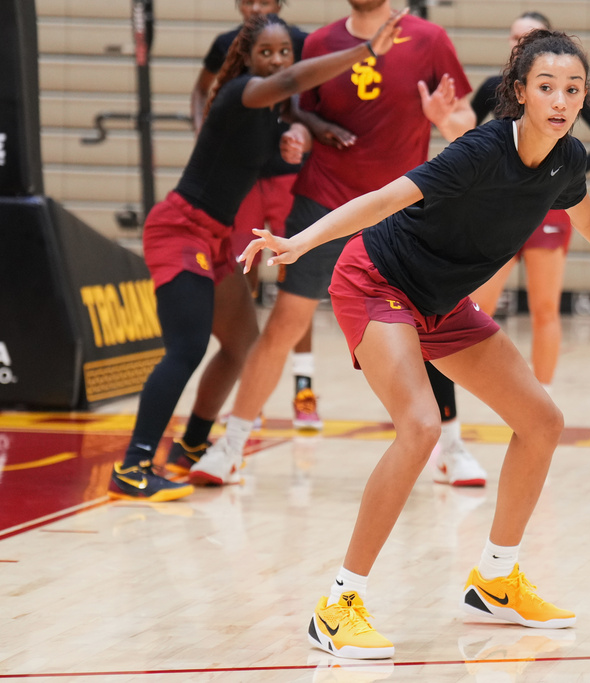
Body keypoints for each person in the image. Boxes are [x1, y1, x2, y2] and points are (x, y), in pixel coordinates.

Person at [237, 28, 590, 659]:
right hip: (377, 280)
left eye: (573, 89)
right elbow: (386, 199)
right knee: (419, 426)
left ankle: (495, 580)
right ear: (519, 92)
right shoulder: (482, 149)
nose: (561, 99)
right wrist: (299, 243)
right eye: (546, 86)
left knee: (542, 420)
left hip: (442, 302)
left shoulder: (566, 159)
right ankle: (338, 604)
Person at [107, 10, 407, 501]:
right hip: (179, 229)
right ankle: (134, 465)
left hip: (217, 237)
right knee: (186, 348)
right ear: (246, 59)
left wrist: (300, 135)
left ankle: (192, 446)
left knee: (242, 341)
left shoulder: (274, 112)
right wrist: (365, 51)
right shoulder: (239, 91)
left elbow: (290, 118)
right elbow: (289, 84)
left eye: (283, 52)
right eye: (264, 53)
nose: (275, 61)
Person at [193, 0, 486, 488]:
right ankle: (231, 444)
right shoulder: (319, 43)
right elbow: (296, 117)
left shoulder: (430, 39)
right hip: (323, 202)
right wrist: (299, 140)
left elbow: (465, 125)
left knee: (432, 325)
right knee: (285, 324)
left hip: (400, 211)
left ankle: (450, 449)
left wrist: (445, 121)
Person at [180, 0, 323, 442]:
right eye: (250, 0)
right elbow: (201, 90)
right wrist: (206, 131)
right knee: (244, 277)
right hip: (241, 182)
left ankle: (304, 387)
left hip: (287, 178)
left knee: (293, 280)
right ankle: (250, 396)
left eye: (266, 0)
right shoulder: (227, 44)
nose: (257, 6)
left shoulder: (302, 42)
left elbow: (307, 102)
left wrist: (303, 132)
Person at [471, 11, 590, 389]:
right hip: (498, 210)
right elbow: (463, 134)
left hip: (546, 211)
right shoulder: (493, 87)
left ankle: (543, 399)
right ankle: (459, 400)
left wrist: (568, 175)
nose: (518, 44)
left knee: (544, 310)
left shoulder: (566, 91)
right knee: (475, 309)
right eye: (514, 38)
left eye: (528, 38)